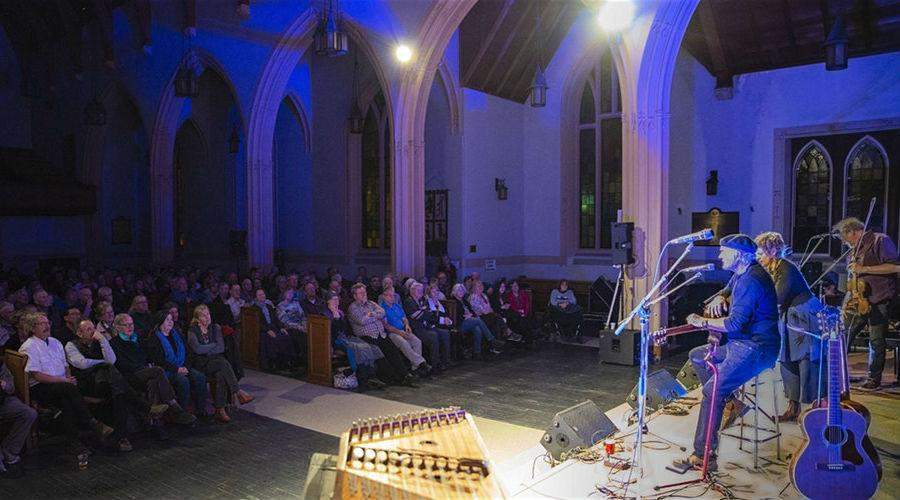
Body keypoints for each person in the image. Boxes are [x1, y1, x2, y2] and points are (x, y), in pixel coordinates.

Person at [681, 234, 780, 470]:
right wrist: (720, 296)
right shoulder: (742, 272)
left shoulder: (751, 281)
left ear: (738, 255)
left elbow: (734, 324)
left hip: (756, 347)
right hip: (742, 344)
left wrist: (701, 321)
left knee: (711, 390)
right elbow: (728, 288)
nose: (719, 256)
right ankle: (731, 402)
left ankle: (704, 455)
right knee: (697, 355)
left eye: (723, 252)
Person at [19, 312, 114, 462]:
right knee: (68, 390)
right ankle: (92, 423)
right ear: (32, 328)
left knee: (68, 401)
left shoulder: (55, 342)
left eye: (47, 322)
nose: (47, 325)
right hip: (42, 386)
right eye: (42, 323)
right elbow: (36, 375)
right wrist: (62, 380)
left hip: (62, 384)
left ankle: (74, 443)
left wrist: (68, 378)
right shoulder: (29, 346)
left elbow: (65, 365)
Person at [65, 319, 167, 451]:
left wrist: (102, 340)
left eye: (93, 328)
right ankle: (146, 409)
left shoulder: (98, 342)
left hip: (107, 383)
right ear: (79, 333)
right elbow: (81, 363)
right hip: (89, 384)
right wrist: (102, 362)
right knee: (115, 378)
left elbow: (112, 359)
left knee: (119, 393)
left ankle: (120, 438)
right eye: (89, 329)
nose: (93, 332)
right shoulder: (71, 345)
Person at [754, 232, 824, 421]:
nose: (758, 257)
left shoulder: (787, 268)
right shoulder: (770, 269)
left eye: (761, 253)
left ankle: (816, 411)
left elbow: (777, 297)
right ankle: (793, 409)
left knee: (805, 361)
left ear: (773, 250)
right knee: (786, 359)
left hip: (802, 315)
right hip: (787, 316)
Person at [834, 217, 899, 389]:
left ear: (853, 232)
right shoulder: (853, 252)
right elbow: (852, 280)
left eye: (845, 239)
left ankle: (873, 378)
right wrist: (846, 302)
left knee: (876, 340)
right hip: (858, 301)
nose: (846, 244)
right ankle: (838, 374)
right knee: (844, 334)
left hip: (880, 297)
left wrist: (865, 269)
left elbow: (896, 267)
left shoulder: (880, 240)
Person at [109, 314, 195, 427]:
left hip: (145, 372)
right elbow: (122, 364)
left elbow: (148, 356)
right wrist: (144, 367)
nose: (130, 327)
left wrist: (147, 366)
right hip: (130, 376)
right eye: (126, 325)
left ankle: (154, 422)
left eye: (132, 324)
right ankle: (174, 406)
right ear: (118, 327)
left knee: (153, 382)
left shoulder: (138, 339)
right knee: (157, 370)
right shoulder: (114, 343)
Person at [186, 305, 253, 423]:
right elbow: (197, 349)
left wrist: (207, 349)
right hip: (200, 364)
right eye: (204, 315)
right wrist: (213, 345)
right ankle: (238, 392)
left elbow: (221, 348)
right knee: (223, 364)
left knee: (221, 373)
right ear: (197, 318)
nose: (207, 317)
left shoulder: (215, 327)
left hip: (215, 361)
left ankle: (220, 410)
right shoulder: (192, 330)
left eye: (208, 314)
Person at [143, 311, 211, 419]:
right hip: (167, 370)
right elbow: (159, 360)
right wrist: (177, 369)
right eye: (167, 320)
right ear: (160, 322)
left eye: (171, 320)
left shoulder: (177, 334)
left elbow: (189, 353)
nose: (170, 322)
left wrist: (186, 367)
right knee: (183, 381)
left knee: (200, 377)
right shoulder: (155, 338)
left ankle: (200, 410)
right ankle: (181, 414)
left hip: (183, 366)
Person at [347, 284, 416, 386]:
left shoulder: (371, 303)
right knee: (380, 354)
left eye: (364, 292)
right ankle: (393, 378)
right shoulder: (353, 307)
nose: (364, 295)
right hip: (367, 336)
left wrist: (371, 315)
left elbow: (382, 312)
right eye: (361, 293)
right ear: (355, 296)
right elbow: (362, 321)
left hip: (381, 334)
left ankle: (405, 375)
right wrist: (374, 315)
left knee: (393, 351)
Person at [324, 291, 386, 390]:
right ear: (328, 302)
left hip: (345, 337)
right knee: (357, 348)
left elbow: (344, 328)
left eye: (337, 300)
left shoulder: (340, 312)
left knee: (367, 346)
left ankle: (371, 375)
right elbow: (333, 331)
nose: (336, 302)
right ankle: (363, 379)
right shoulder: (325, 314)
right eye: (333, 300)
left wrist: (338, 314)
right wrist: (335, 317)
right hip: (333, 340)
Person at [379, 288, 431, 377]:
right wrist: (399, 332)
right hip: (392, 333)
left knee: (417, 341)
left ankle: (415, 369)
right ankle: (422, 363)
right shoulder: (381, 309)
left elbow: (404, 318)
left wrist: (407, 326)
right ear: (384, 296)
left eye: (393, 295)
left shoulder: (397, 306)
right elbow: (386, 326)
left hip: (402, 330)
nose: (392, 298)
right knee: (404, 343)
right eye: (390, 295)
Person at [0, 356, 36, 477]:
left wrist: (4, 384)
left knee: (28, 413)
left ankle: (9, 450)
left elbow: (11, 387)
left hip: (3, 400)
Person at [404, 282, 452, 371]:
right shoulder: (409, 301)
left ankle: (446, 361)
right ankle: (435, 364)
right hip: (417, 329)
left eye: (422, 291)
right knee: (433, 335)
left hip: (426, 326)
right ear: (412, 291)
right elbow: (417, 316)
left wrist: (423, 311)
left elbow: (428, 314)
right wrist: (424, 312)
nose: (421, 292)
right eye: (419, 291)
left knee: (445, 333)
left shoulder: (421, 301)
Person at [450, 284, 503, 359]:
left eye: (462, 290)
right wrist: (465, 316)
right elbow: (454, 316)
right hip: (460, 323)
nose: (461, 292)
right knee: (478, 320)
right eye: (459, 290)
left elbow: (472, 311)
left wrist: (470, 314)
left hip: (469, 320)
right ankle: (492, 340)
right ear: (455, 291)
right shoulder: (453, 301)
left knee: (477, 329)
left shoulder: (464, 300)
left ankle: (477, 353)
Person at [252, 288, 299, 371]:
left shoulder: (269, 306)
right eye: (260, 295)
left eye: (263, 294)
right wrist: (267, 330)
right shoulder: (254, 308)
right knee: (274, 338)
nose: (262, 296)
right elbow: (257, 323)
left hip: (273, 327)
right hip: (263, 329)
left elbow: (276, 319)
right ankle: (276, 363)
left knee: (286, 336)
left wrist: (281, 327)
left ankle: (289, 361)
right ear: (256, 297)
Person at [276, 289, 307, 360]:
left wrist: (304, 324)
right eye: (288, 293)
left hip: (300, 325)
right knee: (300, 335)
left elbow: (303, 316)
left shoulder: (296, 303)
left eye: (292, 293)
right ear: (284, 295)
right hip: (289, 326)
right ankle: (300, 358)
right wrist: (296, 326)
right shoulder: (280, 305)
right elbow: (281, 319)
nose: (290, 294)